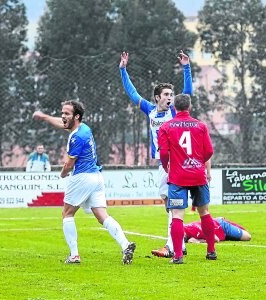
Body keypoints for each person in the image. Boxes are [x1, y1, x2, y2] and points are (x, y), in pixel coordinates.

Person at [33, 100, 136, 265]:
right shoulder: (84, 128)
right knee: (102, 215)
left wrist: (62, 174)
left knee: (67, 213)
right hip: (96, 177)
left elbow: (69, 164)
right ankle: (125, 245)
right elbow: (62, 124)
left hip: (82, 177)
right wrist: (45, 117)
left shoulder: (76, 137)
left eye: (66, 114)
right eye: (62, 113)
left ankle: (74, 255)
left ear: (76, 116)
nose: (63, 116)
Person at [119, 50, 197, 258]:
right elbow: (132, 93)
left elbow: (187, 91)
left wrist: (187, 67)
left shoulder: (175, 112)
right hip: (163, 163)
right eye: (166, 95)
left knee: (172, 204)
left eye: (172, 95)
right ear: (157, 98)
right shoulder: (150, 110)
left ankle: (171, 246)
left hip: (174, 162)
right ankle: (179, 242)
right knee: (169, 203)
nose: (170, 97)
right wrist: (123, 70)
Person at [158, 94, 215, 264]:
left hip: (178, 176)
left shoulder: (166, 127)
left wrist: (166, 165)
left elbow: (162, 152)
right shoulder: (200, 126)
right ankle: (211, 250)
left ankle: (178, 256)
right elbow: (209, 151)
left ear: (174, 108)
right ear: (190, 107)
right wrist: (197, 161)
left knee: (177, 216)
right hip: (198, 174)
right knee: (204, 212)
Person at [184, 217, 251, 243]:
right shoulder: (182, 227)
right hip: (214, 224)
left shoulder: (197, 231)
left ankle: (223, 221)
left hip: (221, 226)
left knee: (247, 236)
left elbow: (215, 239)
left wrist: (198, 241)